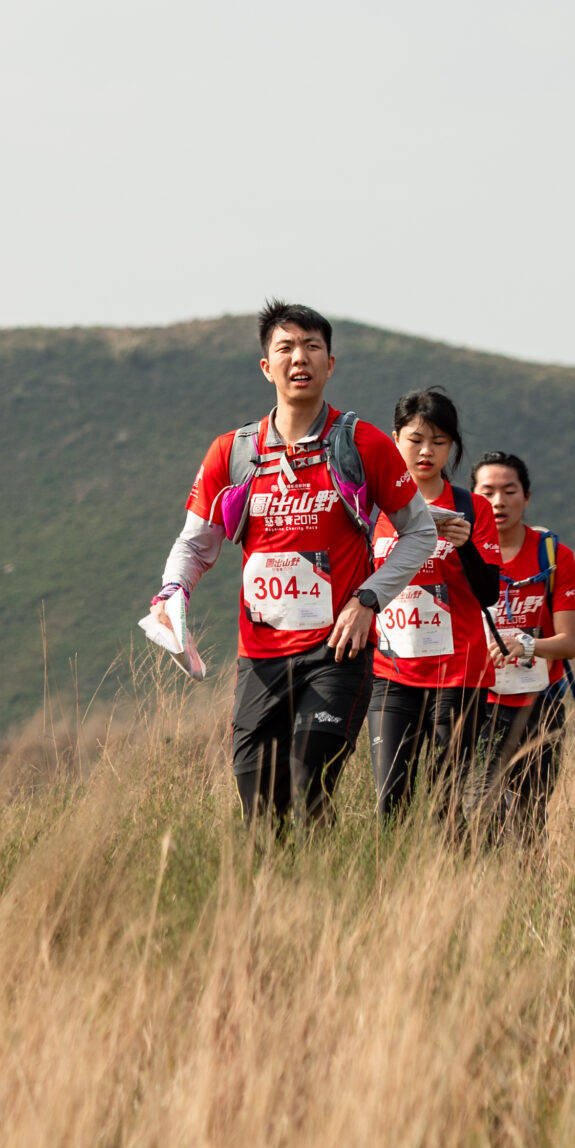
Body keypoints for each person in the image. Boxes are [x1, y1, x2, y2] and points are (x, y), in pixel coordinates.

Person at [153, 301, 436, 832]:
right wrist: (173, 594)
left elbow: (419, 533)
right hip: (259, 660)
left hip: (337, 653)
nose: (299, 358)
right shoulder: (232, 452)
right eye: (285, 348)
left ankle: (325, 897)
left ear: (331, 364)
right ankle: (284, 905)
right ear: (267, 367)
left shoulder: (362, 443)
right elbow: (194, 545)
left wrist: (368, 599)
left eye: (312, 347)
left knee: (308, 782)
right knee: (261, 810)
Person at [365, 389, 501, 824]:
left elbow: (490, 593)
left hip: (458, 672)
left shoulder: (471, 507)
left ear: (453, 447)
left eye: (440, 441)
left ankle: (449, 884)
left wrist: (465, 549)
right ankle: (395, 884)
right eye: (416, 438)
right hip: (390, 673)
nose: (427, 451)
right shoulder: (370, 508)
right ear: (395, 439)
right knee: (391, 800)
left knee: (444, 803)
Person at [473, 452, 575, 845]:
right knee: (479, 811)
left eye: (509, 491)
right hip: (478, 706)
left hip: (540, 708)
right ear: (472, 497)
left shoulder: (554, 557)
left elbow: (569, 644)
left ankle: (528, 897)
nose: (498, 501)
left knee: (529, 817)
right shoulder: (461, 554)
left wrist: (527, 645)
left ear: (527, 497)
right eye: (487, 492)